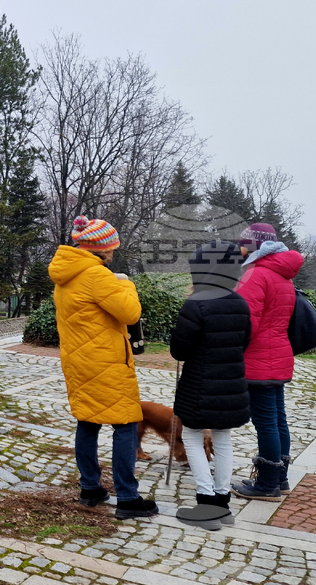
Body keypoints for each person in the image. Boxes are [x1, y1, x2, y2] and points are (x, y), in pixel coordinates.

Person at [49, 215, 157, 519]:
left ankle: (91, 488)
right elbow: (131, 313)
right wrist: (127, 285)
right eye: (113, 248)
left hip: (79, 362)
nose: (114, 253)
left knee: (88, 421)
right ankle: (127, 497)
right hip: (105, 362)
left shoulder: (67, 275)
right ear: (104, 249)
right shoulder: (98, 276)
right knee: (125, 424)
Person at [170, 241, 251, 529]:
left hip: (199, 386)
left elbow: (179, 350)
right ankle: (223, 504)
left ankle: (206, 504)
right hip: (231, 385)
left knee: (192, 436)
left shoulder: (196, 304)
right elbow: (244, 342)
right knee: (223, 439)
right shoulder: (240, 303)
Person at [231, 223, 305, 501]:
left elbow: (245, 322)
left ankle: (266, 485)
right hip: (279, 355)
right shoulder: (283, 275)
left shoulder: (256, 274)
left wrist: (231, 349)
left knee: (266, 422)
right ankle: (280, 478)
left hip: (258, 358)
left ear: (252, 246)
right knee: (278, 419)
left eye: (244, 245)